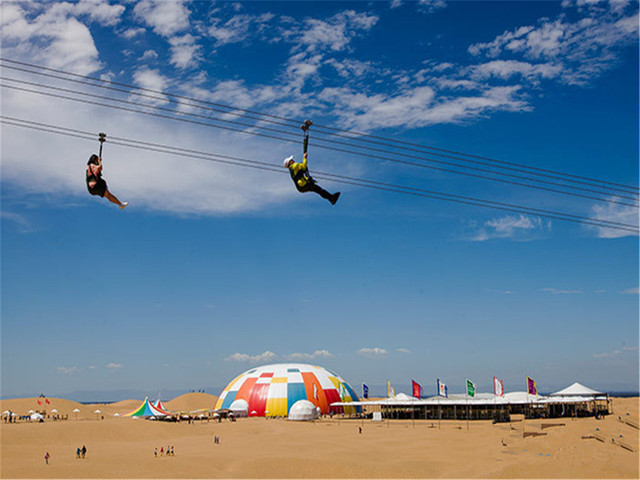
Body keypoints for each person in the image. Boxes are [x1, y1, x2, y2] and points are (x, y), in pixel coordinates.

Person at [284, 120, 340, 205]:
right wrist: (305, 158)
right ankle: (331, 198)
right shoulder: (294, 166)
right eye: (291, 160)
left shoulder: (291, 170)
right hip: (303, 185)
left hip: (301, 187)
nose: (293, 160)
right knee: (319, 190)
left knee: (318, 190)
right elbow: (303, 166)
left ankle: (331, 198)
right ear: (290, 162)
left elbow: (302, 170)